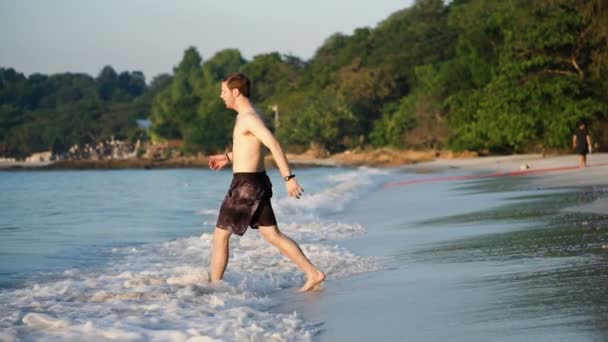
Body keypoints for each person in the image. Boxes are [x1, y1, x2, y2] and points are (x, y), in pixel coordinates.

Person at [207, 73, 325, 292]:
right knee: (272, 234)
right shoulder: (250, 115)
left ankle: (214, 289)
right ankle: (313, 273)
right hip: (255, 182)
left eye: (223, 91)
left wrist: (289, 178)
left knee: (220, 236)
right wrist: (228, 157)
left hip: (246, 186)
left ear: (235, 92)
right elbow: (250, 147)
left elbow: (273, 144)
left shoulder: (249, 117)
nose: (221, 96)